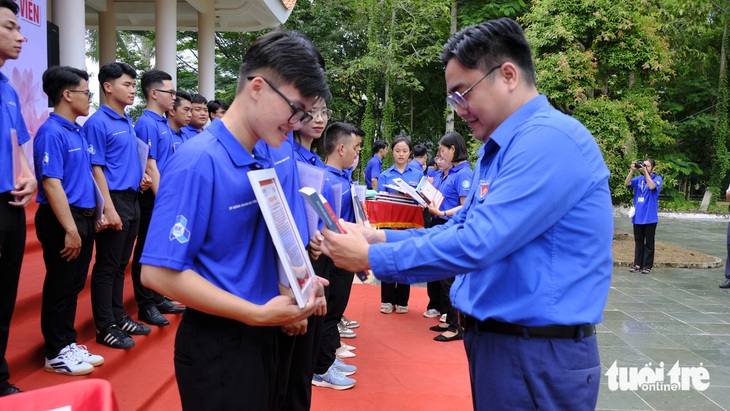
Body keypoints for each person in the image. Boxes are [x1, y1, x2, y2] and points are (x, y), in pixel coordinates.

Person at [321, 18, 612, 410]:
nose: (459, 109)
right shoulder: (501, 149)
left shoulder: (548, 142)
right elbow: (460, 225)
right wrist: (380, 237)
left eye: (463, 93)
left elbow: (479, 242)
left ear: (507, 74)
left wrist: (373, 257)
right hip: (507, 345)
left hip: (539, 352)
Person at [140, 30, 329, 410]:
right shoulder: (199, 161)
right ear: (258, 87)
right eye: (295, 109)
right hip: (221, 342)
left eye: (305, 113)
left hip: (265, 331)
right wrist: (257, 314)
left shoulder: (265, 154)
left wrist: (300, 284)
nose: (297, 122)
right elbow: (157, 274)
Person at [34, 66, 106, 376]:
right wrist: (70, 229)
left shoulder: (75, 130)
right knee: (61, 285)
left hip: (84, 217)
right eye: (86, 93)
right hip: (64, 220)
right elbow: (52, 184)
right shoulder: (50, 132)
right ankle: (55, 352)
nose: (89, 98)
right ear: (67, 95)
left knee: (74, 283)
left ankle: (67, 342)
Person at [85, 62, 152, 350]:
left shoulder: (125, 120)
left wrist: (142, 177)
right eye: (127, 84)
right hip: (113, 200)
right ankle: (105, 326)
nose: (133, 89)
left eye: (134, 84)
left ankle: (118, 316)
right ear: (108, 87)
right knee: (107, 265)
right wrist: (108, 208)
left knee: (119, 265)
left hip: (132, 199)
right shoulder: (97, 123)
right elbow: (96, 168)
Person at [0, 0, 36, 396]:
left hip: (8, 205)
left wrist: (26, 175)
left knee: (5, 297)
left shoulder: (8, 88)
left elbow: (19, 144)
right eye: (10, 26)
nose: (21, 35)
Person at [131, 69, 185, 328]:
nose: (174, 97)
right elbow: (149, 167)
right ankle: (145, 304)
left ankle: (156, 296)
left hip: (164, 195)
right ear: (154, 93)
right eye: (170, 92)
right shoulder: (146, 123)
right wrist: (166, 202)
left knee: (158, 250)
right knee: (145, 251)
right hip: (154, 198)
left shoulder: (163, 124)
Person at [311, 122, 362, 391]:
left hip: (342, 250)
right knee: (328, 309)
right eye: (355, 148)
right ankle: (321, 367)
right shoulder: (324, 179)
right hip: (329, 255)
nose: (357, 154)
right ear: (341, 148)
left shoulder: (343, 177)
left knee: (336, 308)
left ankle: (328, 356)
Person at [425, 131, 472, 342]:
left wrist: (442, 213)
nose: (441, 155)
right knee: (442, 276)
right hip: (441, 224)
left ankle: (456, 327)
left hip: (451, 226)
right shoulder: (450, 173)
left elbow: (464, 206)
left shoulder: (463, 174)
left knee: (449, 279)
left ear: (453, 150)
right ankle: (447, 318)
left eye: (443, 151)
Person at [376, 136, 423, 314]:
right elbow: (380, 201)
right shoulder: (385, 175)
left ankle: (402, 300)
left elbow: (423, 200)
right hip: (389, 223)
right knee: (388, 259)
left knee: (405, 259)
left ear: (410, 152)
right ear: (392, 152)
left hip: (409, 225)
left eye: (404, 151)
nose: (401, 154)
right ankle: (387, 300)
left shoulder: (418, 175)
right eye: (397, 150)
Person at [624, 158, 662, 275]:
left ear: (653, 168)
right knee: (638, 241)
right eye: (643, 165)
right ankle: (637, 264)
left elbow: (651, 187)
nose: (645, 167)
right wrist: (632, 171)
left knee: (649, 243)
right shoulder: (639, 179)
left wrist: (646, 173)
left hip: (650, 217)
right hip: (638, 216)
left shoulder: (657, 179)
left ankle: (647, 266)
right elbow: (627, 183)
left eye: (648, 166)